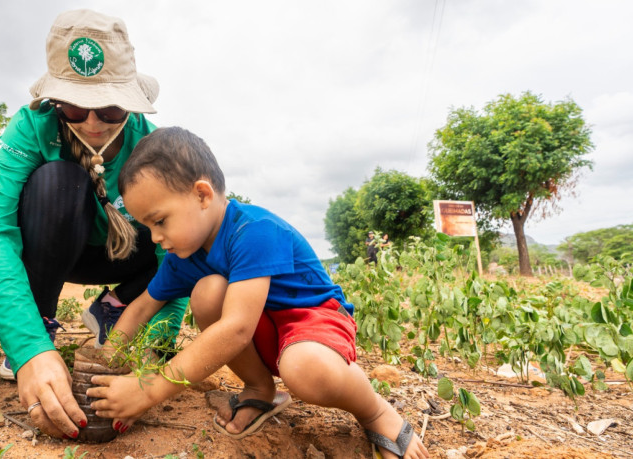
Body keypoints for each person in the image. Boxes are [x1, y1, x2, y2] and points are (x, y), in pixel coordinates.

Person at [87, 127, 429, 459]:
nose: (155, 238)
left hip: (315, 318)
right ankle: (259, 389)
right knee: (208, 292)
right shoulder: (183, 257)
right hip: (268, 329)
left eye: (159, 221)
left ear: (203, 195)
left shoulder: (253, 231)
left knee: (304, 368)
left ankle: (375, 412)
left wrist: (147, 390)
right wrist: (111, 370)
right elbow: (141, 307)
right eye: (147, 226)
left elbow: (236, 330)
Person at [0, 10, 186, 439]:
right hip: (60, 250)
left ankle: (116, 308)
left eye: (108, 108)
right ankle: (40, 324)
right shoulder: (32, 128)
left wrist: (154, 355)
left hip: (129, 260)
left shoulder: (151, 145)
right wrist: (27, 348)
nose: (92, 124)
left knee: (176, 233)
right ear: (54, 102)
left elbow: (179, 255)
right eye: (73, 107)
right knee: (56, 182)